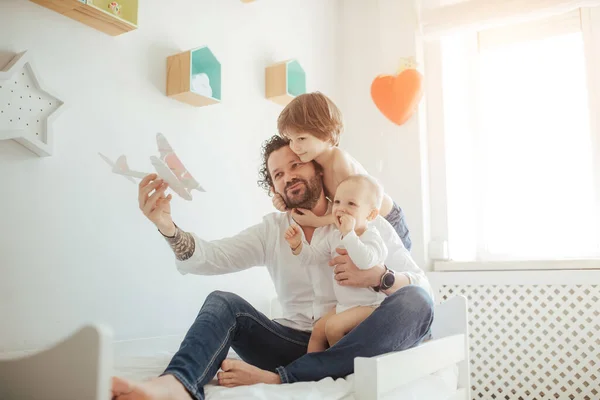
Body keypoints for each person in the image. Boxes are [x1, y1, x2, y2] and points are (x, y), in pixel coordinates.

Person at [111, 136, 434, 400]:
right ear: (275, 190)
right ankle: (177, 385)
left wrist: (380, 277)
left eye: (295, 165)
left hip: (357, 340)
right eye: (278, 174)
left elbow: (422, 289)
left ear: (318, 171)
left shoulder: (362, 218)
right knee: (223, 302)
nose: (288, 176)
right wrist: (167, 226)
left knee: (416, 300)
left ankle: (285, 379)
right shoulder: (271, 231)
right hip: (288, 342)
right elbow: (208, 258)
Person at [273, 91, 412, 251]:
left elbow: (353, 212)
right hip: (365, 222)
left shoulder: (340, 166)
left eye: (302, 139)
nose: (294, 147)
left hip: (386, 220)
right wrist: (283, 201)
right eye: (290, 139)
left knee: (396, 266)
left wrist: (316, 221)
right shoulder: (312, 159)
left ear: (326, 134)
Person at [285, 174, 388, 352]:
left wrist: (349, 234)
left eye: (351, 204)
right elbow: (313, 258)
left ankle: (339, 367)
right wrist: (298, 246)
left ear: (371, 215)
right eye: (337, 202)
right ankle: (310, 371)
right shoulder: (334, 236)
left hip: (370, 306)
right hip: (345, 305)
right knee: (318, 330)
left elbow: (366, 261)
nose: (341, 208)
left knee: (333, 328)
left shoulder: (372, 237)